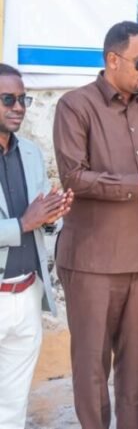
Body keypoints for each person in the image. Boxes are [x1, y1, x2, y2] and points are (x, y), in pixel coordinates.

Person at [53, 21, 138, 429]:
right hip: (93, 263)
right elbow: (73, 177)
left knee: (135, 372)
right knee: (93, 371)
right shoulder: (75, 106)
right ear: (113, 60)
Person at [0, 64, 72, 428]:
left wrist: (53, 214)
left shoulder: (30, 152)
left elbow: (40, 215)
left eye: (22, 99)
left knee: (13, 405)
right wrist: (22, 224)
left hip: (28, 292)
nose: (19, 107)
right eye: (8, 99)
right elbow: (25, 221)